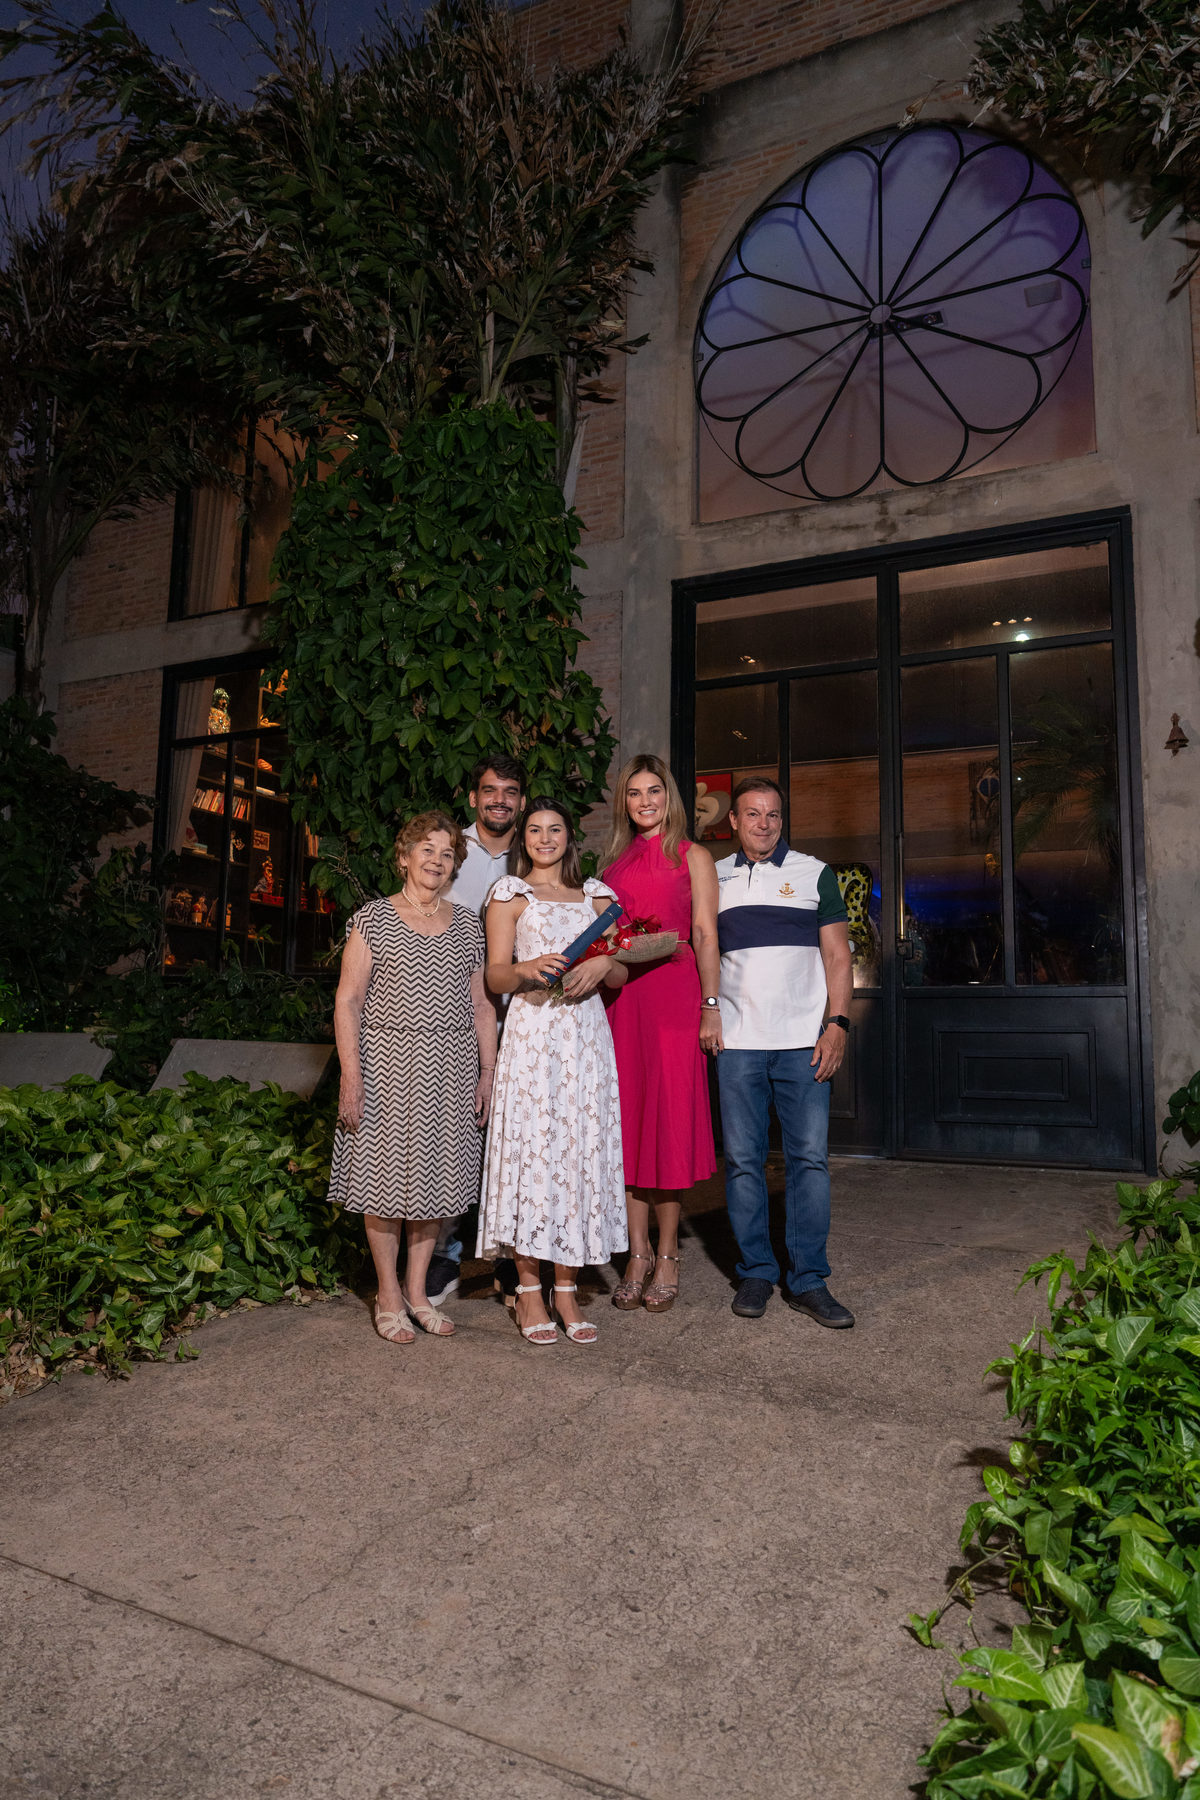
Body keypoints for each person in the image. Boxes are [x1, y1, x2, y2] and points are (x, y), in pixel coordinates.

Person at [328, 812, 495, 1344]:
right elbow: (348, 1001)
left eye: (447, 854)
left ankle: (417, 1292)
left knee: (436, 1186)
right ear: (404, 857)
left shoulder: (467, 924)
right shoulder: (373, 918)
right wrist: (351, 1077)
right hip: (385, 1070)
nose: (437, 861)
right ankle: (387, 1293)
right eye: (427, 850)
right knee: (382, 1186)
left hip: (451, 1072)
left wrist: (487, 1072)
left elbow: (483, 1007)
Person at [477, 798, 629, 1345]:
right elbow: (495, 977)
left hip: (585, 1040)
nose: (545, 838)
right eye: (535, 830)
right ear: (524, 838)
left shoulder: (599, 897)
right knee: (534, 1154)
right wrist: (526, 967)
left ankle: (567, 1289)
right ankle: (528, 1290)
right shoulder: (509, 894)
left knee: (578, 1153)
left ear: (570, 837)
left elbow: (620, 977)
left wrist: (606, 962)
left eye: (555, 829)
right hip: (534, 1037)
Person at [712, 777, 856, 1327]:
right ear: (733, 821)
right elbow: (701, 949)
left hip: (803, 1044)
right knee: (743, 1162)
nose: (764, 823)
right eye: (752, 813)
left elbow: (838, 956)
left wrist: (836, 1025)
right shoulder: (714, 878)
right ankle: (755, 1271)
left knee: (809, 1161)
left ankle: (808, 1280)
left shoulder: (815, 873)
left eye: (773, 814)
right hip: (738, 1043)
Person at [602, 754, 720, 1313]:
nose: (645, 801)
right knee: (628, 1124)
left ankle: (669, 1253)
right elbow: (604, 937)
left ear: (668, 796)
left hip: (674, 994)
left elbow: (704, 932)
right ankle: (637, 1252)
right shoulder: (612, 865)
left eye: (654, 791)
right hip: (623, 998)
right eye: (634, 793)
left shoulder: (693, 855)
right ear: (623, 802)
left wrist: (710, 1006)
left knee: (668, 1121)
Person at [423, 755, 527, 1307]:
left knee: (513, 1138)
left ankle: (510, 1257)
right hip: (454, 1017)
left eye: (509, 792)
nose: (499, 800)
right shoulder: (449, 850)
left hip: (523, 1014)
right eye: (490, 790)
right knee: (454, 1135)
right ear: (473, 797)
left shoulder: (534, 850)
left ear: (522, 802)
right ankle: (445, 1253)